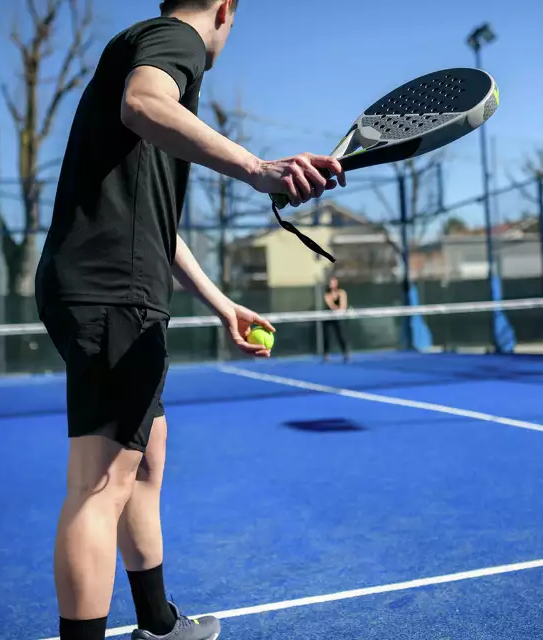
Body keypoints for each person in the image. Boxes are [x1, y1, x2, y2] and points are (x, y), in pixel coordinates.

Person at [33, 1, 346, 639]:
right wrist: (261, 169)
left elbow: (159, 225)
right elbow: (143, 103)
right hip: (112, 288)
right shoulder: (175, 44)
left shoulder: (146, 55)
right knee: (100, 485)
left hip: (121, 285)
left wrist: (222, 303)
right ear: (226, 9)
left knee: (146, 462)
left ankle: (158, 624)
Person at [322, 276, 350, 362]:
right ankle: (326, 355)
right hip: (328, 318)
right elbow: (331, 306)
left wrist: (340, 311)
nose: (332, 284)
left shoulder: (342, 293)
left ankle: (345, 353)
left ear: (337, 283)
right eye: (330, 282)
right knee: (327, 336)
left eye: (333, 282)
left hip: (339, 318)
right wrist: (336, 309)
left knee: (341, 335)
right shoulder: (327, 295)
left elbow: (343, 305)